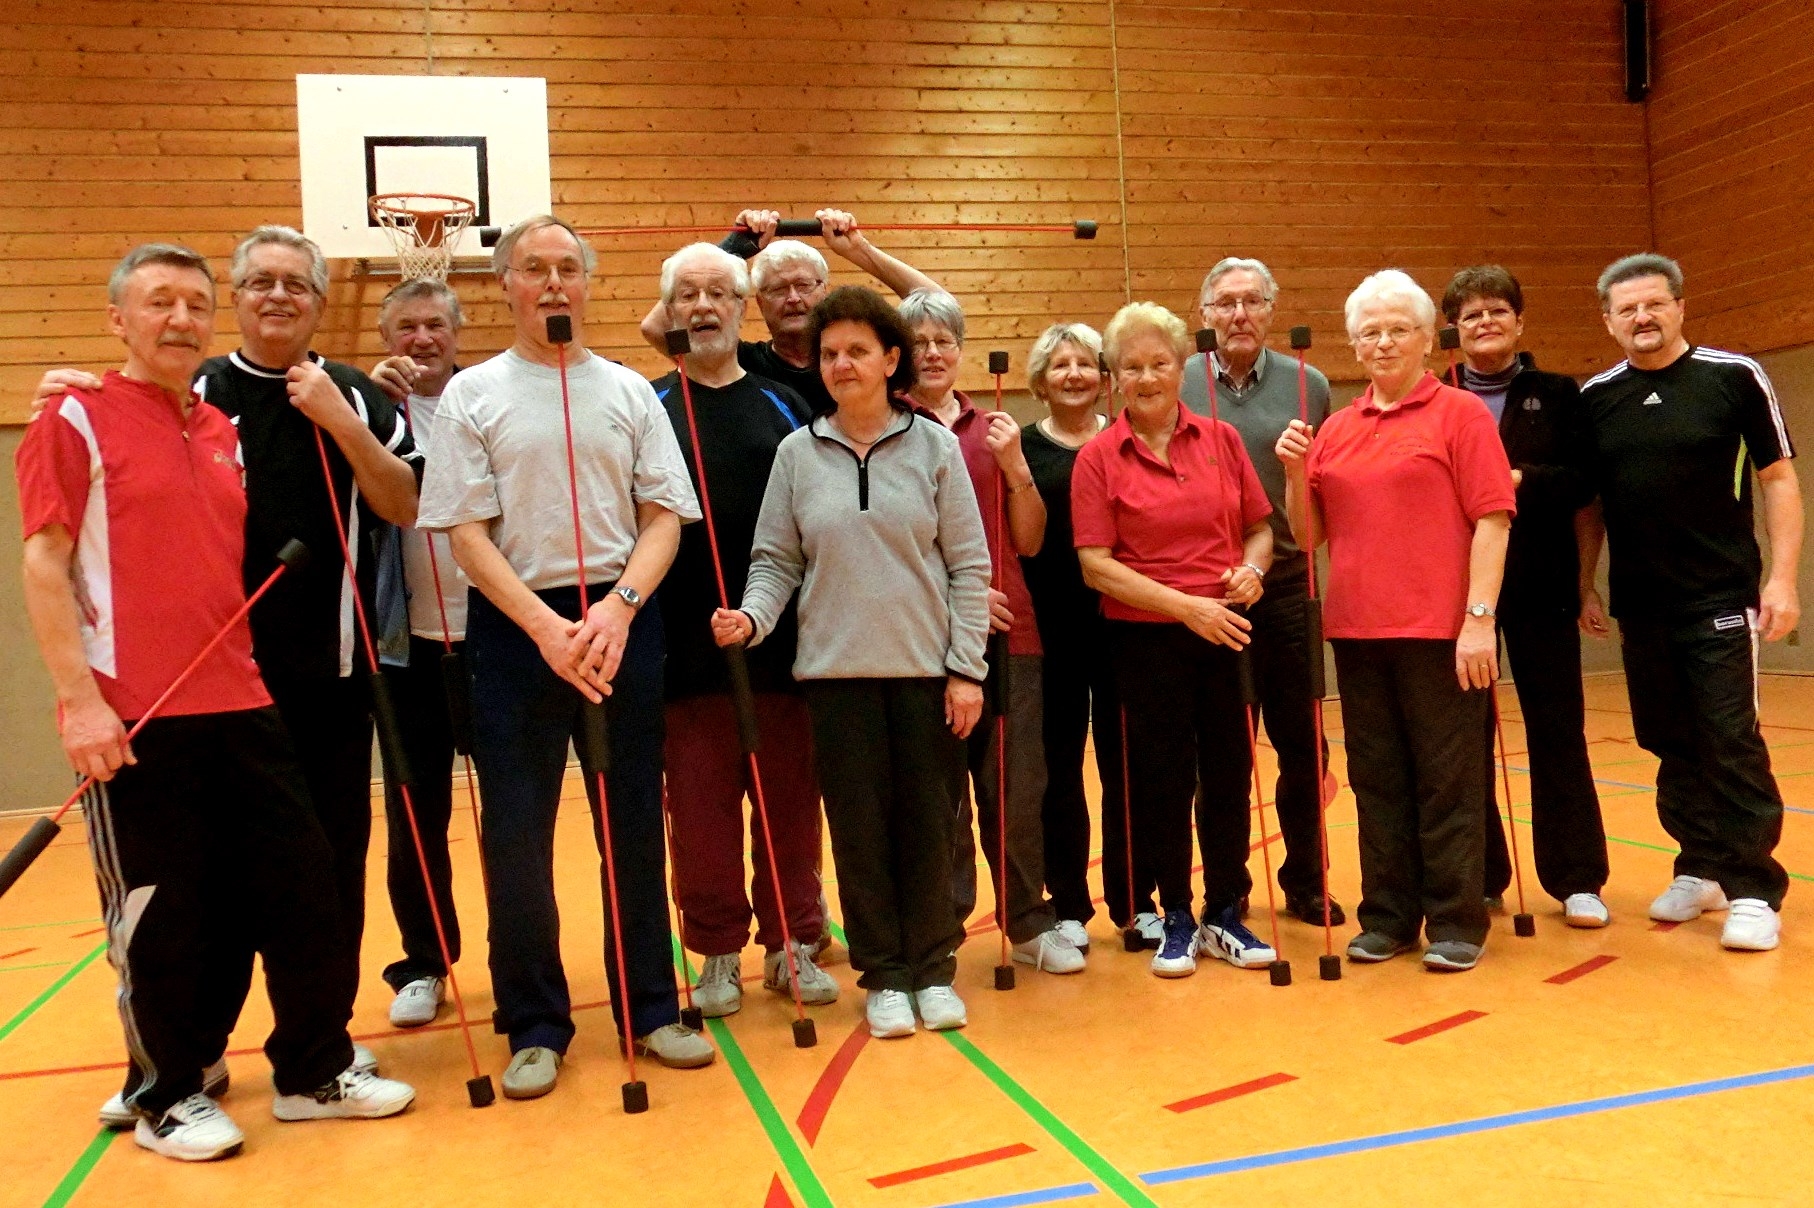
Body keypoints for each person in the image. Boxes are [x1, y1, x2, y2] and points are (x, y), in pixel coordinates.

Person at [17, 244, 415, 1162]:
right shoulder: (73, 418)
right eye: (160, 303)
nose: (181, 319)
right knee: (165, 913)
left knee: (305, 885)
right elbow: (44, 560)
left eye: (194, 305)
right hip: (137, 715)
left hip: (241, 699)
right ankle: (167, 1090)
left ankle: (315, 1069)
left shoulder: (218, 429)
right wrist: (80, 703)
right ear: (119, 318)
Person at [418, 215, 713, 1100]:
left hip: (624, 621)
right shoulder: (473, 394)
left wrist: (620, 608)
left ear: (587, 284)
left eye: (567, 269)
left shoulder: (626, 391)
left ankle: (651, 1005)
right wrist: (547, 631)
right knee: (516, 837)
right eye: (534, 269)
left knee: (630, 825)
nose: (553, 284)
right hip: (519, 634)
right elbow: (465, 533)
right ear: (506, 284)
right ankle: (536, 1022)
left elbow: (666, 514)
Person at [711, 286, 991, 1039]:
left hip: (926, 675)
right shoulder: (798, 454)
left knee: (928, 828)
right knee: (860, 834)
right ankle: (885, 976)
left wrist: (967, 669)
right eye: (830, 353)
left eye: (857, 351)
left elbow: (969, 566)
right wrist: (753, 616)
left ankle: (933, 967)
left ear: (890, 358)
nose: (840, 364)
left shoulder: (933, 446)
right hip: (834, 681)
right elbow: (775, 560)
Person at [1276, 269, 1515, 973]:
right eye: (1369, 331)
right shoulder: (1338, 428)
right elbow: (1307, 533)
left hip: (1442, 635)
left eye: (1397, 329)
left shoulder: (1460, 415)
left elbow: (1493, 521)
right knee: (1376, 779)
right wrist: (1294, 474)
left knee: (1449, 781)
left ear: (1423, 339)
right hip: (1357, 634)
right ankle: (1388, 915)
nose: (1383, 342)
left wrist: (1478, 620)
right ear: (1354, 343)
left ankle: (1456, 921)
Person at [1577, 253, 1799, 952]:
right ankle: (1699, 865)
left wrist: (1783, 579)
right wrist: (1585, 583)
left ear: (1678, 308)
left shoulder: (1734, 379)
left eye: (1654, 305)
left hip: (1722, 597)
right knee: (1669, 741)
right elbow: (1588, 508)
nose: (1642, 318)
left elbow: (1780, 480)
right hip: (1642, 605)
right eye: (1627, 309)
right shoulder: (1596, 399)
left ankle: (1755, 889)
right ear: (1609, 321)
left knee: (1729, 740)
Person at [645, 242, 837, 1017]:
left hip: (781, 640)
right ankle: (717, 950)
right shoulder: (649, 404)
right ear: (673, 313)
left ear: (739, 306)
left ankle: (793, 943)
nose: (702, 307)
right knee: (699, 810)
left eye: (717, 293)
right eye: (686, 294)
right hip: (683, 646)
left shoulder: (782, 403)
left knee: (790, 802)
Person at [1073, 302, 1278, 979]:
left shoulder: (1220, 439)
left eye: (1160, 362)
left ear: (1181, 366)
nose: (1148, 376)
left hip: (1224, 633)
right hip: (1146, 641)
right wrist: (1186, 607)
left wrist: (1250, 569)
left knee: (1228, 777)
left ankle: (1226, 912)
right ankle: (1179, 917)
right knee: (1159, 783)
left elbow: (1259, 528)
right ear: (1115, 377)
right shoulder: (1100, 457)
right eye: (1132, 366)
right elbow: (1096, 564)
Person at [898, 288, 1082, 976]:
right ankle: (941, 925)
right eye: (918, 342)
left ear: (961, 350)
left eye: (944, 340)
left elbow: (1029, 541)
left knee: (1015, 786)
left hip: (1016, 637)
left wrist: (1014, 469)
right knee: (939, 796)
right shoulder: (887, 430)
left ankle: (1029, 921)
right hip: (928, 642)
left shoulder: (997, 428)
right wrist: (964, 601)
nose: (933, 353)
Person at [1440, 265, 1609, 928]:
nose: (1485, 323)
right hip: (1459, 592)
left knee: (1558, 730)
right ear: (1454, 329)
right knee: (1463, 738)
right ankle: (1479, 878)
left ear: (1519, 322)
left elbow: (1583, 483)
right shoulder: (1435, 394)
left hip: (1541, 586)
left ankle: (1577, 878)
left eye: (1497, 312)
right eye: (1472, 315)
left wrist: (1513, 479)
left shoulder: (1559, 394)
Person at [1181, 257, 1343, 926]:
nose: (1239, 314)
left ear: (1271, 311)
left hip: (1284, 586)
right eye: (1226, 303)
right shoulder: (1181, 380)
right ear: (1206, 315)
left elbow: (1325, 487)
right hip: (1206, 593)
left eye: (1252, 302)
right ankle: (1227, 892)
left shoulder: (1313, 385)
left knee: (1305, 749)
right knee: (1221, 753)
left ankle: (1306, 881)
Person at [367, 278, 477, 1026]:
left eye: (435, 325)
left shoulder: (487, 399)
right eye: (406, 327)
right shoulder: (362, 411)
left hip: (495, 638)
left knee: (513, 814)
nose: (421, 339)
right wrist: (364, 416)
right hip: (407, 648)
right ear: (386, 338)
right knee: (415, 817)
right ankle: (424, 962)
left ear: (456, 334)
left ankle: (525, 959)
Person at [1018, 324, 1148, 947]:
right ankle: (1067, 900)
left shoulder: (1129, 442)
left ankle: (1136, 898)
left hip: (1125, 626)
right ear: (1040, 381)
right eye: (1059, 364)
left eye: (1085, 364)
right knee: (1058, 769)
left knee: (1126, 762)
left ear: (1104, 377)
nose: (1074, 374)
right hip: (1052, 631)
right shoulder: (1019, 449)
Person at [640, 208, 941, 417]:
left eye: (804, 285)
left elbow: (938, 307)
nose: (793, 298)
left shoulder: (859, 357)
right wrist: (731, 251)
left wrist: (858, 249)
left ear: (825, 291)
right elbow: (655, 326)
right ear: (756, 303)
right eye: (778, 290)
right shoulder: (738, 362)